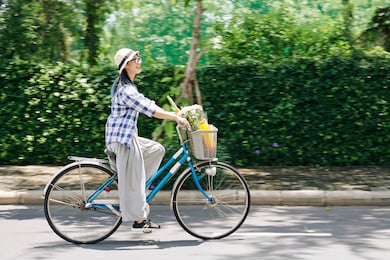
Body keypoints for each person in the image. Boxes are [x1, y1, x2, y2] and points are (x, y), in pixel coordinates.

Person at [105, 48, 189, 230]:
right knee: (135, 177)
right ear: (127, 65)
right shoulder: (126, 90)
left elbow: (148, 103)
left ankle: (137, 189)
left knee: (156, 149)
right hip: (123, 140)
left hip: (128, 138)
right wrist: (174, 118)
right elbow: (149, 110)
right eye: (136, 59)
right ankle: (139, 219)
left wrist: (174, 112)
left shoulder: (129, 88)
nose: (139, 61)